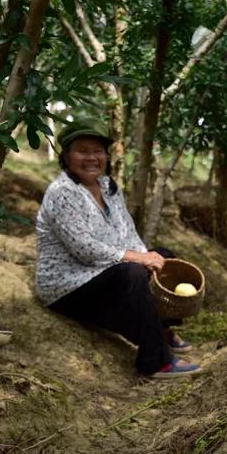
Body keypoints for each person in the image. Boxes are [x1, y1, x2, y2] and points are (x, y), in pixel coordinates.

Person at [35, 118, 201, 379]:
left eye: (97, 151)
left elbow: (128, 233)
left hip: (99, 272)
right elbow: (84, 248)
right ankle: (154, 361)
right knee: (132, 272)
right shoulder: (62, 193)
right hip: (67, 285)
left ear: (106, 155)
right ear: (66, 156)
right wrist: (136, 259)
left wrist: (148, 257)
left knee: (163, 258)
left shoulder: (108, 186)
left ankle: (160, 329)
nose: (91, 157)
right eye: (82, 150)